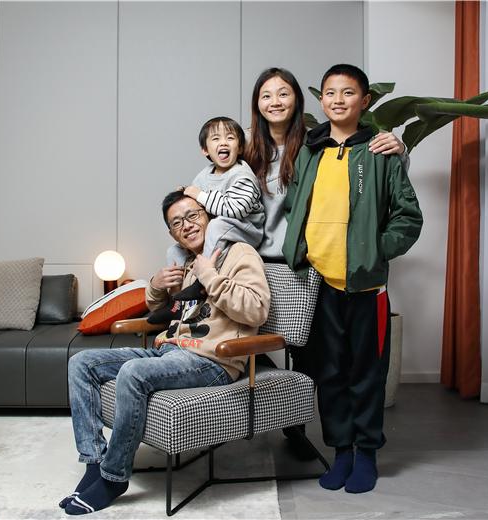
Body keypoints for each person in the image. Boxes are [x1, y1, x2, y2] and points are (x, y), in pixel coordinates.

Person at [60, 190, 270, 515]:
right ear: (172, 234)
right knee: (81, 363)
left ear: (209, 217)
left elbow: (256, 310)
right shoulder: (187, 263)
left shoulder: (239, 252)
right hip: (170, 351)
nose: (187, 225)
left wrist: (210, 276)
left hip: (212, 360)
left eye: (193, 215)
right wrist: (156, 286)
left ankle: (113, 478)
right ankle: (94, 463)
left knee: (133, 373)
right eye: (176, 223)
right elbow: (165, 311)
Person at [282, 64, 423, 494]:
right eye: (330, 92)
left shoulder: (380, 151)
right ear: (321, 100)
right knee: (329, 372)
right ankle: (342, 450)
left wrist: (375, 250)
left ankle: (367, 454)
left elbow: (408, 217)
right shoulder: (310, 151)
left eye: (348, 92)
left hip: (366, 287)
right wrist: (300, 249)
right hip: (318, 284)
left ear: (365, 101)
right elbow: (294, 205)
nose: (338, 100)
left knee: (366, 373)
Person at [244, 67, 408, 262]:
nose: (275, 102)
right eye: (266, 96)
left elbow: (382, 181)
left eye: (283, 94)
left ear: (297, 100)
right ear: (256, 103)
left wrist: (400, 149)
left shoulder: (315, 143)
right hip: (249, 258)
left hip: (302, 260)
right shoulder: (241, 144)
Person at [148, 117, 265, 324]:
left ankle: (200, 283)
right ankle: (177, 302)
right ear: (205, 150)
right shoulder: (205, 175)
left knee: (217, 224)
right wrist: (185, 192)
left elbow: (236, 209)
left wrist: (199, 195)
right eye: (216, 138)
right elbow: (195, 203)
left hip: (246, 227)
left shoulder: (243, 175)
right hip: (220, 229)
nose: (223, 142)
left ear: (239, 148)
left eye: (230, 138)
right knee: (173, 251)